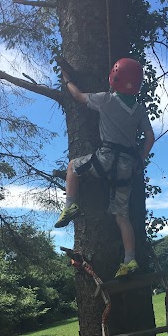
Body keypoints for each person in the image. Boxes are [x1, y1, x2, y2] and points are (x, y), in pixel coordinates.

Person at [54, 58, 155, 278]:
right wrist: (140, 160)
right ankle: (129, 260)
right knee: (122, 215)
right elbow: (149, 136)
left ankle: (70, 205)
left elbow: (78, 96)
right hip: (127, 166)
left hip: (105, 159)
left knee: (73, 166)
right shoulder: (138, 109)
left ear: (115, 77)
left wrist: (67, 79)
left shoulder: (105, 99)